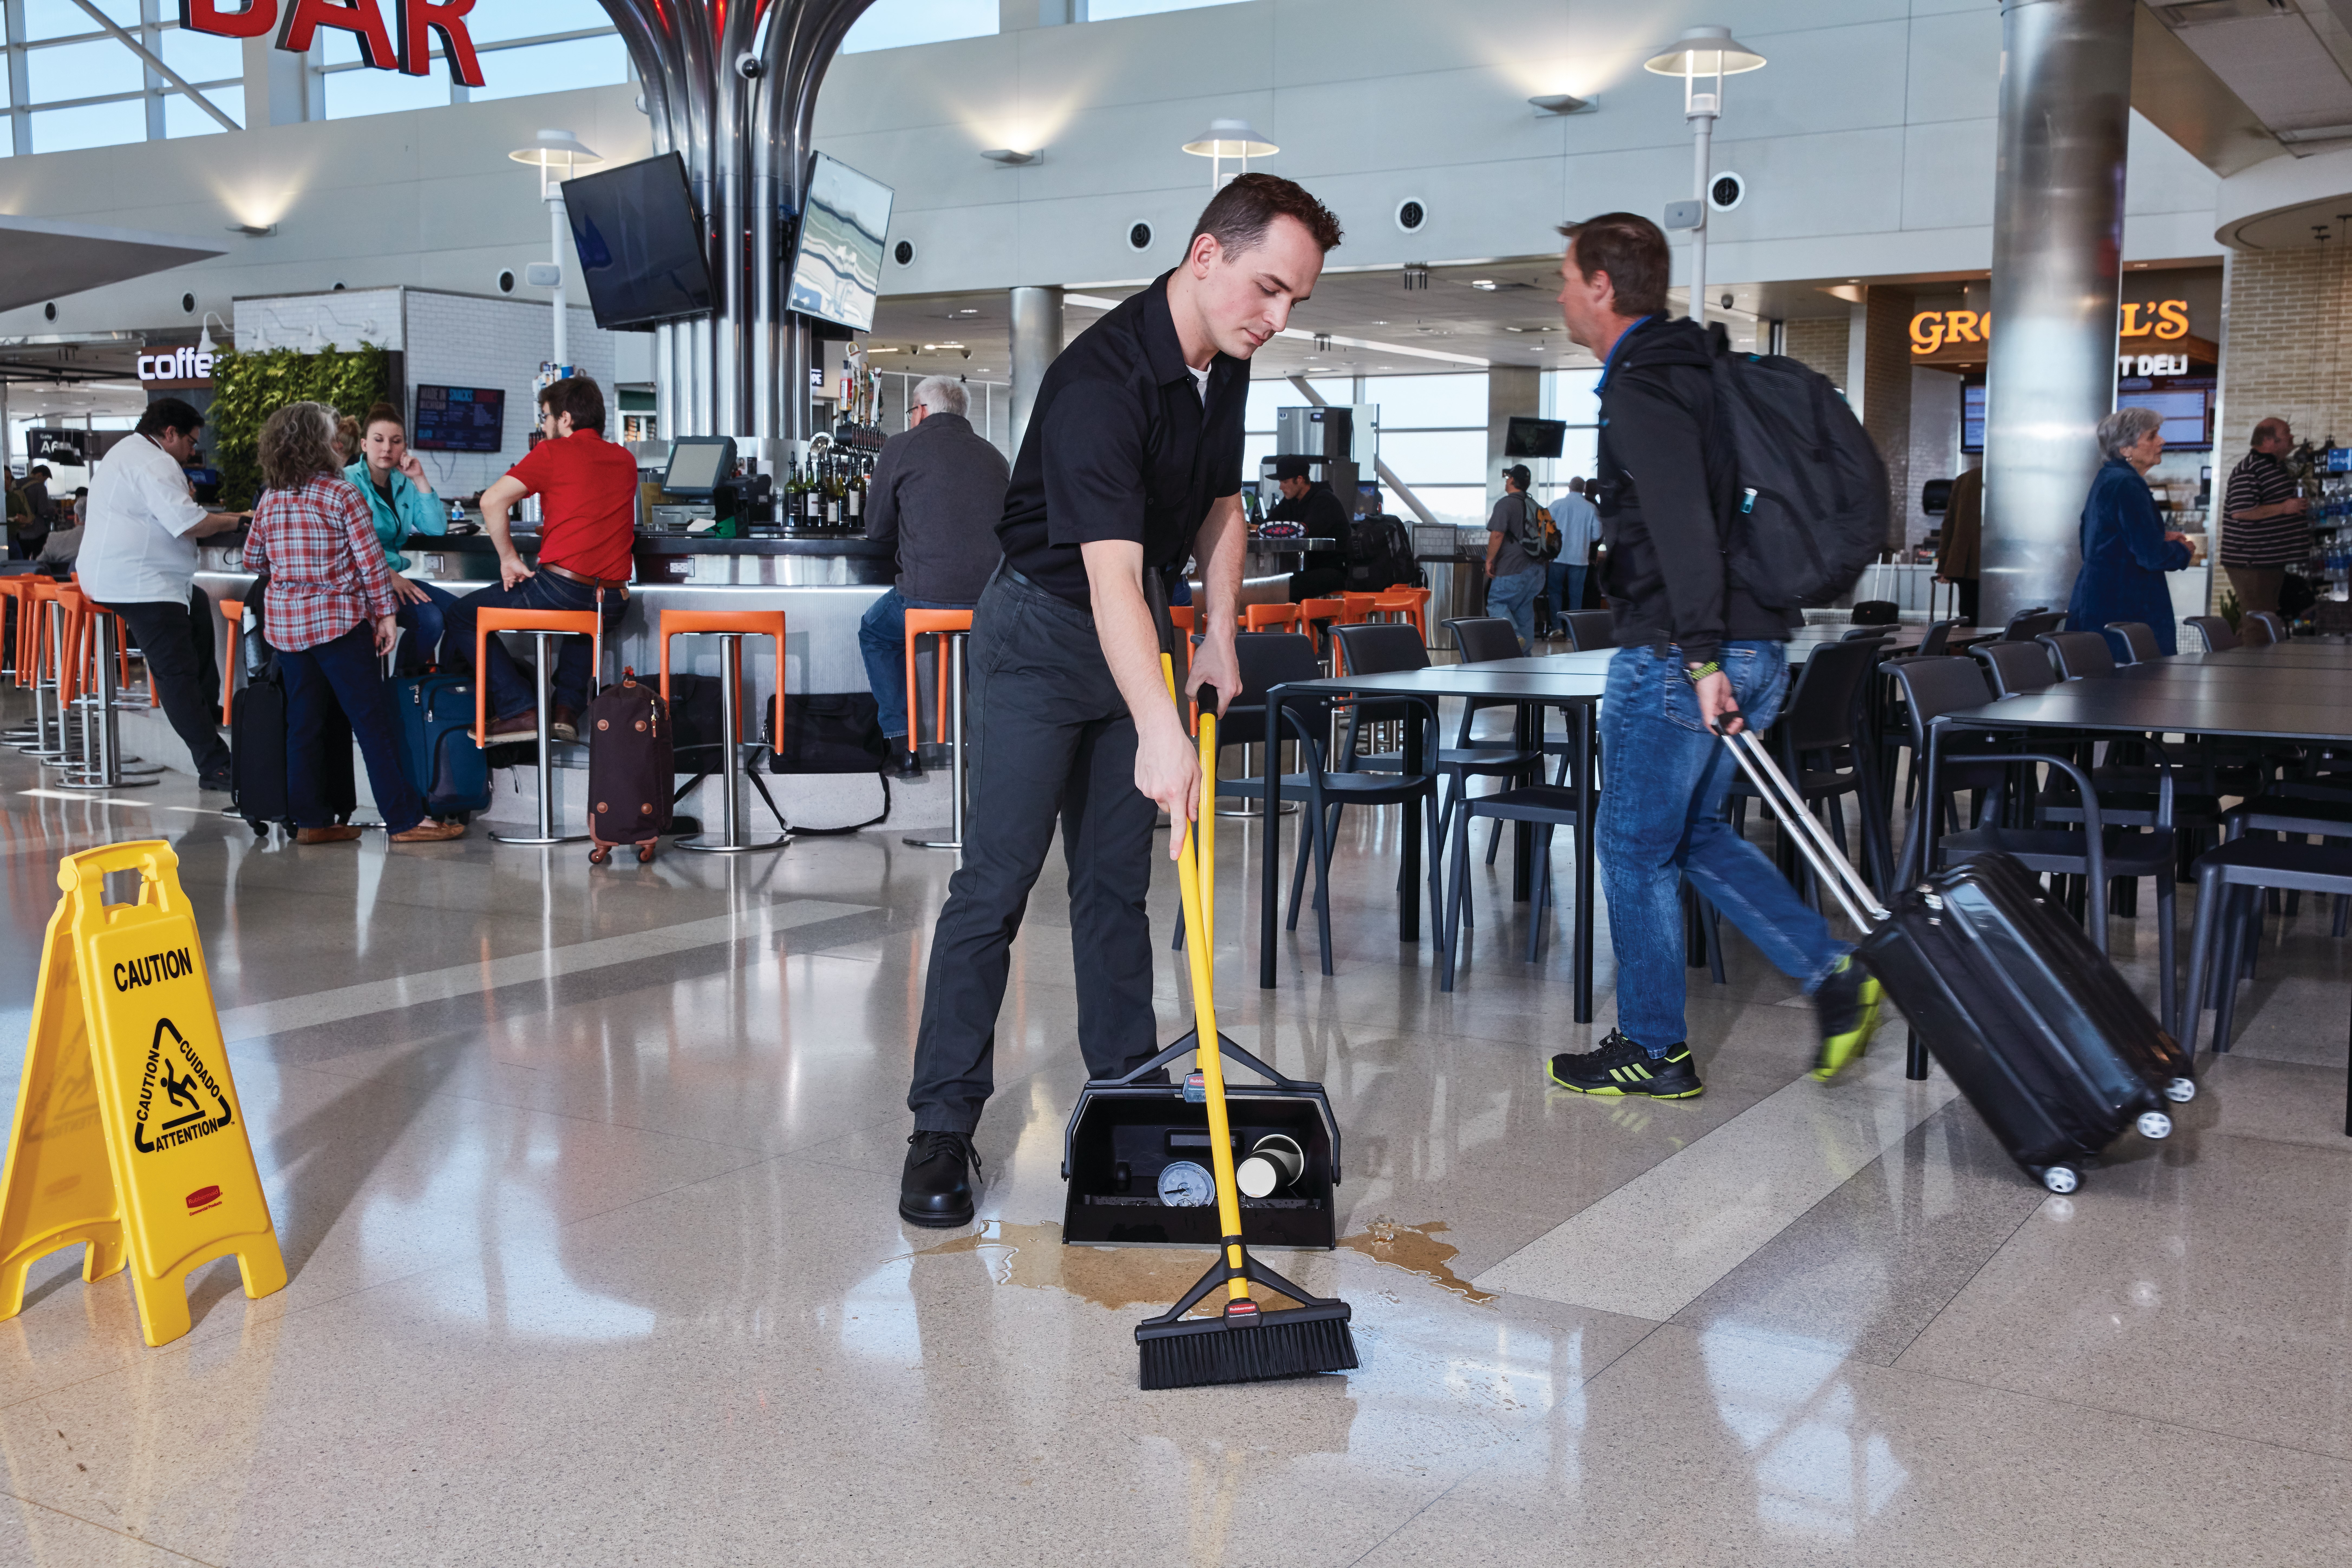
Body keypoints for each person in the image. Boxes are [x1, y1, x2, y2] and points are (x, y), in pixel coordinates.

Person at [898, 172, 1342, 1227]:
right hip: (1041, 634)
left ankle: (1126, 1097)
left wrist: (1220, 631)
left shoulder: (1224, 359)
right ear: (1206, 256)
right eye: (1269, 289)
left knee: (1114, 886)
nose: (1277, 320)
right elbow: (1103, 576)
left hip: (1135, 624)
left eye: (1295, 301)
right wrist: (1159, 727)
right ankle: (940, 1127)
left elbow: (1222, 505)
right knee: (995, 884)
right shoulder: (1100, 381)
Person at [1544, 211, 1882, 1102]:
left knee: (1629, 847)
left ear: (1601, 288)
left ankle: (1652, 1047)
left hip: (1681, 653)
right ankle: (1832, 973)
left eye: (1566, 280)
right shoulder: (1700, 368)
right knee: (1687, 834)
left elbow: (1684, 528)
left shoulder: (1645, 385)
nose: (1560, 296)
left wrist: (1697, 659)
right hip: (1757, 640)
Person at [239, 403, 466, 846]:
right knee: (372, 723)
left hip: (288, 628)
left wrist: (293, 573)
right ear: (318, 443)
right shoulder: (342, 494)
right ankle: (405, 821)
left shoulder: (271, 497)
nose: (337, 442)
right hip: (338, 623)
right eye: (331, 435)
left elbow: (254, 560)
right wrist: (385, 615)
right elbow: (371, 564)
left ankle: (312, 822)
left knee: (303, 725)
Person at [441, 377, 635, 743]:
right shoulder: (625, 459)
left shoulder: (553, 452)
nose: (543, 427)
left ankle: (519, 708)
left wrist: (509, 558)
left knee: (462, 616)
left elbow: (491, 501)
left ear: (565, 418)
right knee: (585, 617)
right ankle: (566, 711)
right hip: (613, 601)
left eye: (546, 417)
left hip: (563, 589)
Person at [78, 398, 249, 790]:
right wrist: (239, 520)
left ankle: (206, 710)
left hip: (131, 578)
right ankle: (215, 765)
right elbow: (188, 523)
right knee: (176, 672)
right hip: (140, 584)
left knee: (199, 612)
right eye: (191, 442)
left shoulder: (129, 452)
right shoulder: (155, 461)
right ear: (170, 433)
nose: (192, 452)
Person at [857, 374, 1009, 778]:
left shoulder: (901, 446)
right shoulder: (995, 456)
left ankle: (902, 747)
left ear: (921, 411)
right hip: (992, 603)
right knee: (979, 647)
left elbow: (877, 529)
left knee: (875, 634)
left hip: (925, 598)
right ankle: (984, 755)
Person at [2067, 407, 2194, 656]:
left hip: (2101, 603)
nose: (2162, 441)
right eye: (2152, 436)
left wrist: (2158, 537)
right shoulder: (2127, 483)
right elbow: (2151, 556)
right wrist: (2183, 550)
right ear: (2126, 449)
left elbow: (2100, 539)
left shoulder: (2109, 478)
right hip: (2127, 610)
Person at [347, 402, 458, 672]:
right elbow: (344, 545)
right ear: (364, 445)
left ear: (404, 448)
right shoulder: (347, 481)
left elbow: (436, 528)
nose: (387, 448)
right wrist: (387, 575)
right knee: (431, 620)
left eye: (396, 442)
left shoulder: (403, 483)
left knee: (462, 613)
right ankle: (404, 684)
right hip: (360, 582)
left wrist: (419, 478)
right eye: (379, 440)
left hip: (394, 579)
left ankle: (421, 686)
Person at [2218, 417, 2305, 621]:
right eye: (2286, 433)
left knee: (2267, 620)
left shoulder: (2275, 468)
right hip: (2252, 561)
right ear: (2268, 441)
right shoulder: (2250, 470)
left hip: (2269, 560)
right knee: (2258, 622)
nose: (2292, 437)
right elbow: (2241, 512)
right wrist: (2284, 508)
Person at [1270, 453, 1349, 602]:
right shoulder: (1291, 502)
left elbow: (1305, 531)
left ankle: (1312, 618)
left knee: (1287, 590)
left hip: (1335, 569)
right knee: (1278, 586)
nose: (1281, 487)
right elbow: (1268, 525)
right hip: (1308, 569)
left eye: (1285, 482)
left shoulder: (1324, 500)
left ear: (1300, 480)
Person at [1484, 463, 1546, 652]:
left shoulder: (1506, 504)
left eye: (1508, 478)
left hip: (1513, 567)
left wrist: (1490, 560)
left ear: (1512, 480)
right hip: (1537, 570)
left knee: (1497, 603)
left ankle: (1514, 636)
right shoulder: (1535, 506)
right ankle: (1524, 657)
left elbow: (1497, 535)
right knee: (1523, 609)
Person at [1542, 475, 1600, 633]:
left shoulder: (1557, 505)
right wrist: (1585, 539)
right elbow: (1597, 535)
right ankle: (1572, 632)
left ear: (1569, 487)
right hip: (1580, 558)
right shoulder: (1591, 508)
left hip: (1558, 557)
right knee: (1576, 595)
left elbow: (1544, 527)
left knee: (1555, 591)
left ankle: (1557, 627)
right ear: (1584, 489)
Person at [1933, 464, 1983, 626]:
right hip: (2003, 566)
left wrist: (1944, 565)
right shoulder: (2013, 477)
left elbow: (1949, 525)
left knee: (1969, 621)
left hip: (1966, 566)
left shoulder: (1965, 479)